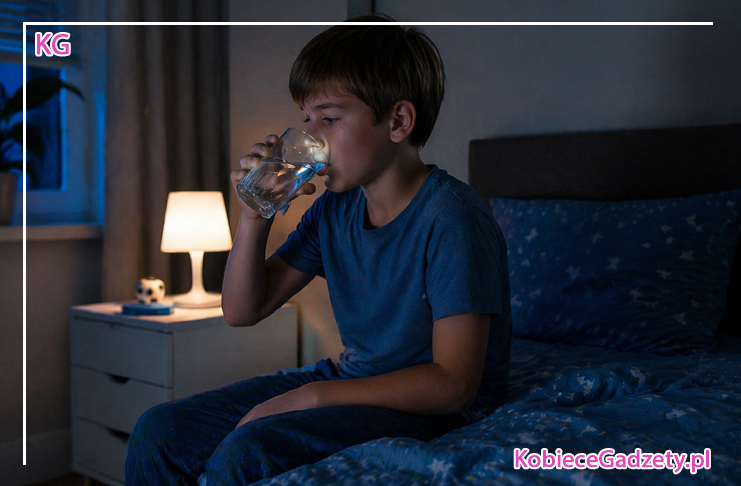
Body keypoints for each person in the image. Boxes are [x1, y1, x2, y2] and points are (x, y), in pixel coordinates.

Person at [126, 16, 511, 485]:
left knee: (249, 452)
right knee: (158, 431)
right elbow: (242, 310)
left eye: (329, 119)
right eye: (306, 119)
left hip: (435, 408)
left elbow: (454, 385)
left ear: (398, 121)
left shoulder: (453, 218)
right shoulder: (335, 209)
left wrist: (312, 396)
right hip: (349, 380)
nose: (313, 140)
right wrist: (255, 214)